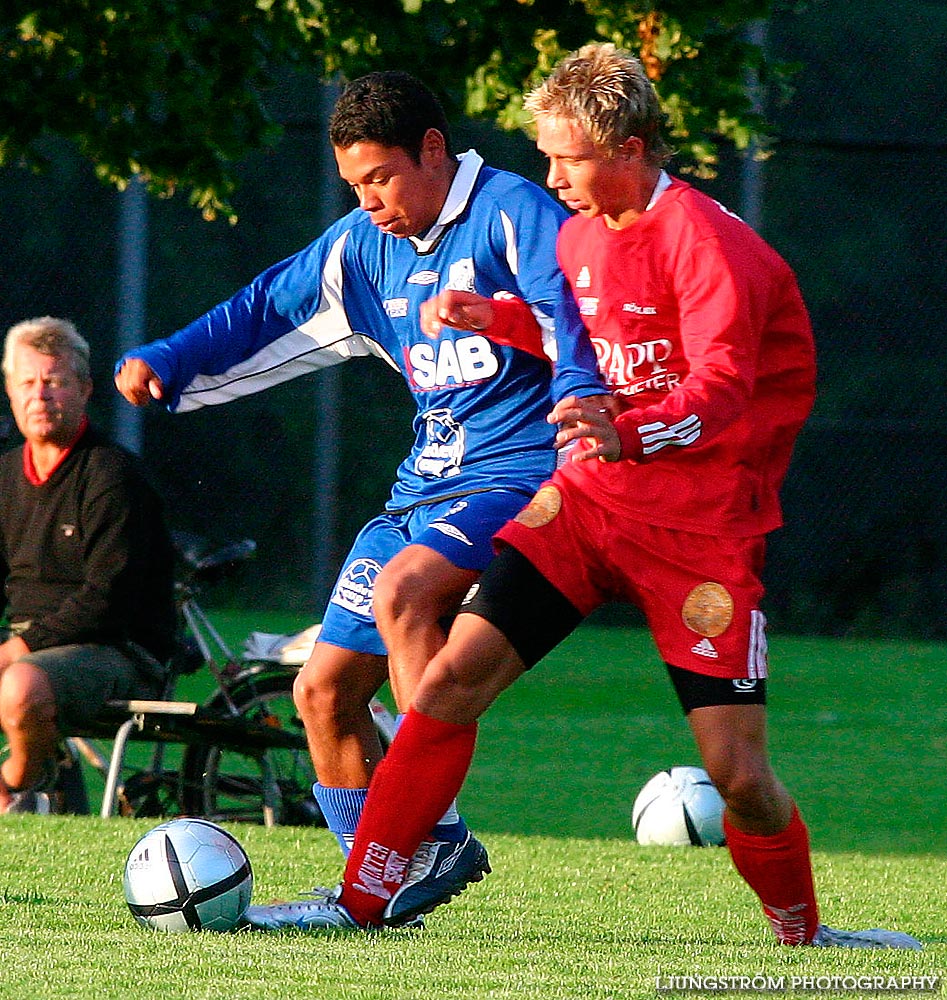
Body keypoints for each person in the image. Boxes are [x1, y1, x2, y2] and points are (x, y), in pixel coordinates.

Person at [249, 43, 923, 950]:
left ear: (632, 149)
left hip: (698, 533)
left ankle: (804, 936)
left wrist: (628, 429)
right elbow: (588, 334)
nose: (550, 175)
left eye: (566, 157)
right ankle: (360, 902)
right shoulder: (578, 233)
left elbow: (721, 392)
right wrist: (502, 320)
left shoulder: (708, 244)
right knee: (446, 682)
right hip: (583, 506)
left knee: (735, 776)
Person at [114, 72, 608, 921]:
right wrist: (173, 353)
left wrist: (579, 395)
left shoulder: (510, 210)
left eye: (380, 177)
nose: (370, 200)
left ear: (431, 151)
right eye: (354, 186)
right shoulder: (361, 245)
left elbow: (573, 313)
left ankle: (435, 831)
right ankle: (374, 883)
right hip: (422, 484)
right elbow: (270, 301)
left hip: (518, 476)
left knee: (406, 592)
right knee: (320, 692)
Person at [0, 316, 176, 814]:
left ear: (83, 389)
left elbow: (108, 601)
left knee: (20, 684)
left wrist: (17, 650)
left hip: (119, 650)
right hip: (34, 647)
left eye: (55, 382)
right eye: (27, 383)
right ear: (10, 392)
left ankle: (14, 789)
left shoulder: (110, 474)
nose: (41, 396)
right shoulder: (5, 477)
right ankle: (45, 788)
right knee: (20, 676)